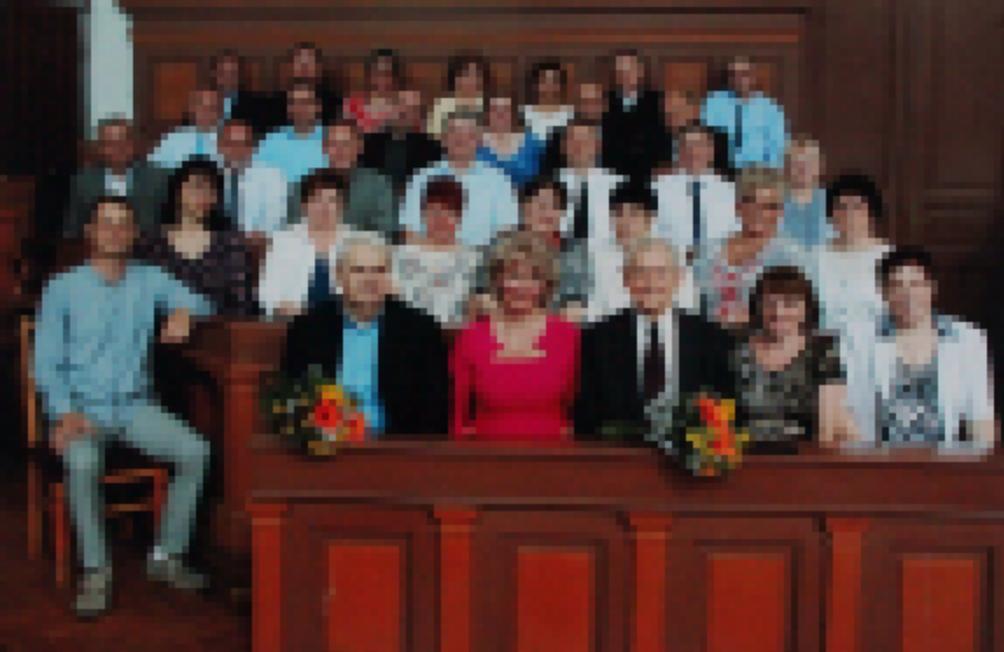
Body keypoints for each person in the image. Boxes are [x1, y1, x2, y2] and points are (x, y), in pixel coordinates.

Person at [34, 196, 213, 618]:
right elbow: (44, 362)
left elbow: (205, 302)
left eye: (123, 224)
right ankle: (96, 571)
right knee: (82, 464)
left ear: (134, 234)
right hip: (82, 409)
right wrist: (63, 412)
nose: (114, 231)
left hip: (135, 408)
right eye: (106, 223)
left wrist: (185, 313)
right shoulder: (63, 287)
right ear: (90, 233)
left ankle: (166, 556)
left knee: (196, 451)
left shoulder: (150, 279)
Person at [282, 231, 449, 436]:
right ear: (339, 276)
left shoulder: (420, 330)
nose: (370, 279)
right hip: (326, 447)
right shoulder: (308, 328)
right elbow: (292, 402)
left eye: (379, 270)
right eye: (359, 270)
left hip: (396, 447)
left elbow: (434, 409)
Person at [575, 237, 734, 439]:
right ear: (626, 279)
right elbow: (588, 413)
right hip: (619, 450)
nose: (650, 283)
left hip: (690, 451)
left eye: (660, 273)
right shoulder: (597, 337)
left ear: (678, 278)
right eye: (641, 273)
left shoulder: (711, 336)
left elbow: (723, 406)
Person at [451, 230, 581, 442]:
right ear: (498, 280)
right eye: (513, 277)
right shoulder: (472, 336)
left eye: (533, 278)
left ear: (546, 285)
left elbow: (579, 411)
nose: (521, 287)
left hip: (554, 455)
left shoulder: (567, 336)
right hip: (484, 455)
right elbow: (458, 415)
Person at [873, 247, 996, 450]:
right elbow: (853, 413)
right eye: (897, 285)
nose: (907, 294)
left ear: (932, 288)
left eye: (916, 284)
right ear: (884, 293)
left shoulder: (967, 339)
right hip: (881, 459)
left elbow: (980, 416)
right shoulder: (862, 340)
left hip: (945, 459)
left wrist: (981, 461)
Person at [733, 266, 859, 452]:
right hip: (741, 453)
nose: (778, 312)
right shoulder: (737, 347)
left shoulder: (822, 348)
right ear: (757, 307)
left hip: (805, 453)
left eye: (789, 304)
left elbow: (828, 424)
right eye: (769, 304)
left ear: (806, 309)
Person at [809, 173, 892, 442]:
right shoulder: (816, 257)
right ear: (830, 214)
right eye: (841, 207)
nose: (849, 214)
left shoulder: (888, 257)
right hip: (825, 356)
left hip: (875, 354)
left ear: (872, 213)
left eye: (858, 206)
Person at [135, 157, 257, 317]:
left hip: (218, 327)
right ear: (177, 192)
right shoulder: (151, 243)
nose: (203, 196)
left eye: (211, 191)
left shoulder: (231, 243)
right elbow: (139, 298)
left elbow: (241, 303)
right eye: (196, 187)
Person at [693, 166, 806, 328]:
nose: (758, 212)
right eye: (751, 202)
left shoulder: (791, 255)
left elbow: (796, 313)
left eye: (769, 206)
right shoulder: (710, 249)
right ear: (738, 206)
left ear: (780, 211)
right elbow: (694, 299)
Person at [581, 183, 700, 321]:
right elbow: (594, 306)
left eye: (633, 214)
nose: (624, 222)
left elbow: (688, 306)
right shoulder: (598, 258)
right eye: (618, 214)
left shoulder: (671, 254)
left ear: (650, 218)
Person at [399, 111, 518, 247]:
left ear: (480, 141)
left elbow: (507, 235)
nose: (461, 139)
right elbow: (409, 233)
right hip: (431, 256)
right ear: (443, 139)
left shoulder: (499, 181)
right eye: (454, 132)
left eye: (469, 134)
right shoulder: (421, 179)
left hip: (484, 258)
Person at [258, 169, 356, 318]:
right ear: (304, 205)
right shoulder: (283, 241)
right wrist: (283, 308)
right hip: (292, 322)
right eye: (317, 200)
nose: (325, 208)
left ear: (342, 206)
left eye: (332, 201)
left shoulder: (358, 241)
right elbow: (265, 295)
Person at [392, 176, 479, 328]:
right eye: (434, 211)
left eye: (449, 212)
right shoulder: (402, 255)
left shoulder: (474, 258)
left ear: (459, 217)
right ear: (423, 214)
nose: (441, 220)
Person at [287, 120, 396, 237]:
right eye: (334, 144)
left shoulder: (377, 186)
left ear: (359, 147)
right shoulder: (305, 184)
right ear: (324, 147)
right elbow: (292, 227)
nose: (340, 151)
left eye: (346, 144)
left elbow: (386, 232)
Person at [64, 117, 168, 237]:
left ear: (133, 145)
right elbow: (72, 229)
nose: (118, 149)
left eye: (124, 142)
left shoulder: (157, 179)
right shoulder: (84, 182)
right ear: (100, 149)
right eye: (110, 144)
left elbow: (165, 226)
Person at [651, 123, 739, 263]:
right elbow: (651, 230)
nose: (693, 152)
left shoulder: (730, 191)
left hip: (719, 264)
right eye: (687, 146)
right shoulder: (659, 188)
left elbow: (736, 233)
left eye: (699, 145)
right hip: (670, 263)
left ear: (711, 151)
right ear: (677, 152)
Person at [702, 56, 788, 169]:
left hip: (758, 171)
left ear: (753, 77)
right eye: (733, 75)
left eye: (744, 74)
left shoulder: (770, 109)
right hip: (721, 169)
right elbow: (706, 139)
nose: (739, 79)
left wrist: (766, 172)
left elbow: (777, 149)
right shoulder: (714, 103)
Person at [362, 88, 443, 195]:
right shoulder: (370, 141)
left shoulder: (431, 148)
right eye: (400, 104)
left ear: (419, 116)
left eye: (411, 109)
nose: (403, 111)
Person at [216, 118, 288, 237]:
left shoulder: (272, 176)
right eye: (230, 143)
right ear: (219, 146)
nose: (236, 150)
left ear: (253, 148)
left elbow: (275, 221)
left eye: (242, 144)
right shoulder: (209, 175)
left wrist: (259, 236)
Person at [556, 119, 624, 244]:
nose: (579, 146)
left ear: (597, 145)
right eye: (573, 141)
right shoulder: (550, 184)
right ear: (563, 146)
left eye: (585, 140)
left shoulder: (617, 185)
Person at [601, 49, 664, 181]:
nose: (625, 76)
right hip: (613, 175)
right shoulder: (603, 103)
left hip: (650, 175)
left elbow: (661, 139)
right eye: (620, 71)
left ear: (640, 72)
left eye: (630, 70)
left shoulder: (658, 102)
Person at [252, 82, 327, 184]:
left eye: (306, 102)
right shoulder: (271, 142)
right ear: (289, 108)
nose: (301, 108)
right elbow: (255, 176)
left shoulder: (331, 138)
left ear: (318, 106)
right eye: (295, 103)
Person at [539, 78, 606, 177]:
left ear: (604, 104)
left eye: (595, 101)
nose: (590, 106)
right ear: (576, 104)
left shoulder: (617, 136)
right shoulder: (556, 137)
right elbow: (547, 175)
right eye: (585, 101)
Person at [476, 95, 543, 187]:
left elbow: (542, 180)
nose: (500, 115)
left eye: (505, 110)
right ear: (487, 114)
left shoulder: (531, 143)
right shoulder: (477, 145)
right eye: (495, 110)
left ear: (513, 113)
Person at [148, 88, 223, 169]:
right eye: (202, 107)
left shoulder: (227, 139)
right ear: (192, 109)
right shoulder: (176, 139)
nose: (207, 112)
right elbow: (152, 169)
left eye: (212, 108)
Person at [780, 137, 832, 247]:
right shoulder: (773, 203)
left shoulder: (831, 201)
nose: (802, 169)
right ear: (786, 167)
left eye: (808, 162)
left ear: (819, 167)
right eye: (796, 164)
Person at [427, 52, 489, 139]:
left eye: (477, 76)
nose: (472, 81)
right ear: (455, 78)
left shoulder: (490, 106)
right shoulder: (441, 107)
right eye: (466, 75)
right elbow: (434, 138)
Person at [209, 49, 272, 135]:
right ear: (213, 74)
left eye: (232, 72)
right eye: (222, 72)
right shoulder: (202, 102)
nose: (227, 77)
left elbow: (260, 134)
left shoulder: (256, 106)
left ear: (239, 74)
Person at [341, 48, 402, 135]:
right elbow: (346, 133)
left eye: (386, 73)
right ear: (369, 74)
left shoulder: (404, 103)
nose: (381, 78)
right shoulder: (353, 102)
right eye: (377, 72)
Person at [521, 60, 574, 142]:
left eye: (554, 81)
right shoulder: (524, 114)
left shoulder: (569, 114)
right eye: (544, 81)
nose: (549, 86)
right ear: (536, 85)